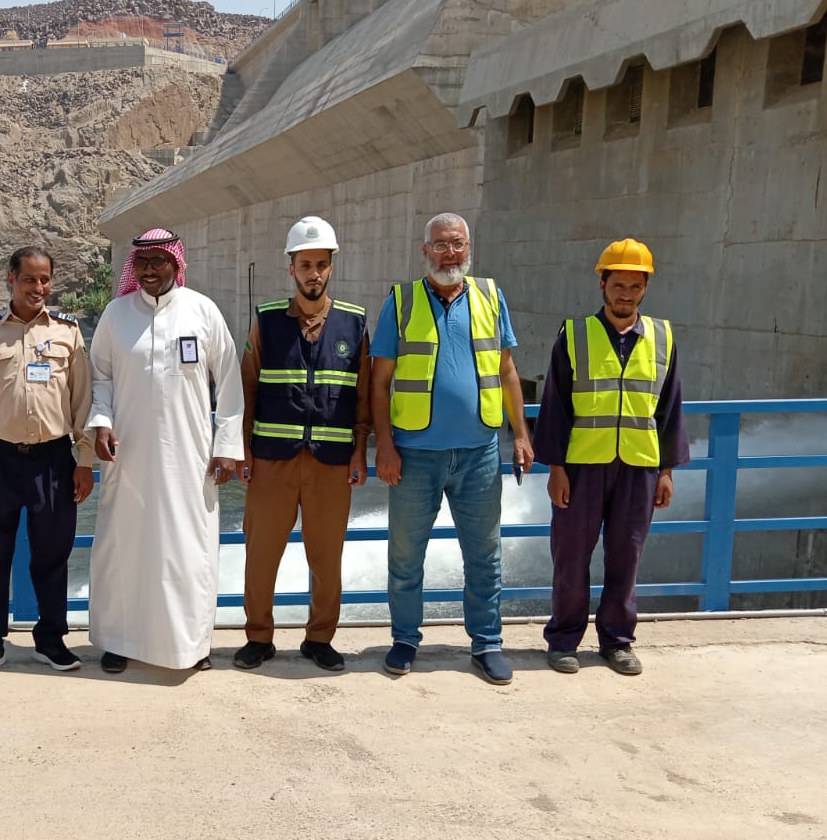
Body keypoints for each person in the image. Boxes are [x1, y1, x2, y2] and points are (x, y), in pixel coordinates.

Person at [369, 213, 534, 685]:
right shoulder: (400, 302)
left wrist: (520, 433)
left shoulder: (489, 296)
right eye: (440, 245)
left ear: (469, 248)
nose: (449, 253)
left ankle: (486, 643)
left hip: (480, 452)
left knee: (484, 553)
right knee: (405, 554)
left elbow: (506, 371)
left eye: (457, 244)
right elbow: (379, 384)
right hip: (414, 455)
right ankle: (404, 639)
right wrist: (386, 446)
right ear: (425, 251)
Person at [87, 228, 243, 674]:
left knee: (187, 550)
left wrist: (227, 446)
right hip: (128, 457)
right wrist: (101, 423)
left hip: (189, 459)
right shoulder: (117, 315)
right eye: (143, 263)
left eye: (160, 261)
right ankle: (119, 639)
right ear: (133, 268)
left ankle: (191, 645)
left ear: (177, 264)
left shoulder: (203, 312)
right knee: (124, 549)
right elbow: (100, 378)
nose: (151, 270)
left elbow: (229, 382)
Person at [533, 239, 689, 675]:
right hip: (582, 468)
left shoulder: (663, 337)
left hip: (638, 468)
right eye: (618, 284)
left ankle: (617, 641)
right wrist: (556, 470)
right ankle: (563, 639)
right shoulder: (575, 334)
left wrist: (666, 471)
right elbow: (555, 407)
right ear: (601, 284)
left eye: (634, 286)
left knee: (627, 556)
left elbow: (670, 407)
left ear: (645, 288)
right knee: (571, 557)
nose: (625, 294)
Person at [234, 217, 370, 673]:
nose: (314, 273)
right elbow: (246, 389)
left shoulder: (354, 324)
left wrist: (359, 451)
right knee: (261, 553)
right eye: (305, 264)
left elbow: (363, 395)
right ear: (291, 268)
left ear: (331, 267)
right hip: (272, 461)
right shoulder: (267, 321)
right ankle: (258, 636)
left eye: (321, 264)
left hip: (331, 464)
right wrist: (244, 450)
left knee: (327, 557)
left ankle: (319, 638)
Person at [0, 247, 95, 678]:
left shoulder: (69, 333)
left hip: (53, 460)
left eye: (45, 280)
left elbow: (82, 401)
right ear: (11, 280)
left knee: (52, 555)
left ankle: (51, 641)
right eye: (29, 280)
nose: (38, 288)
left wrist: (84, 459)